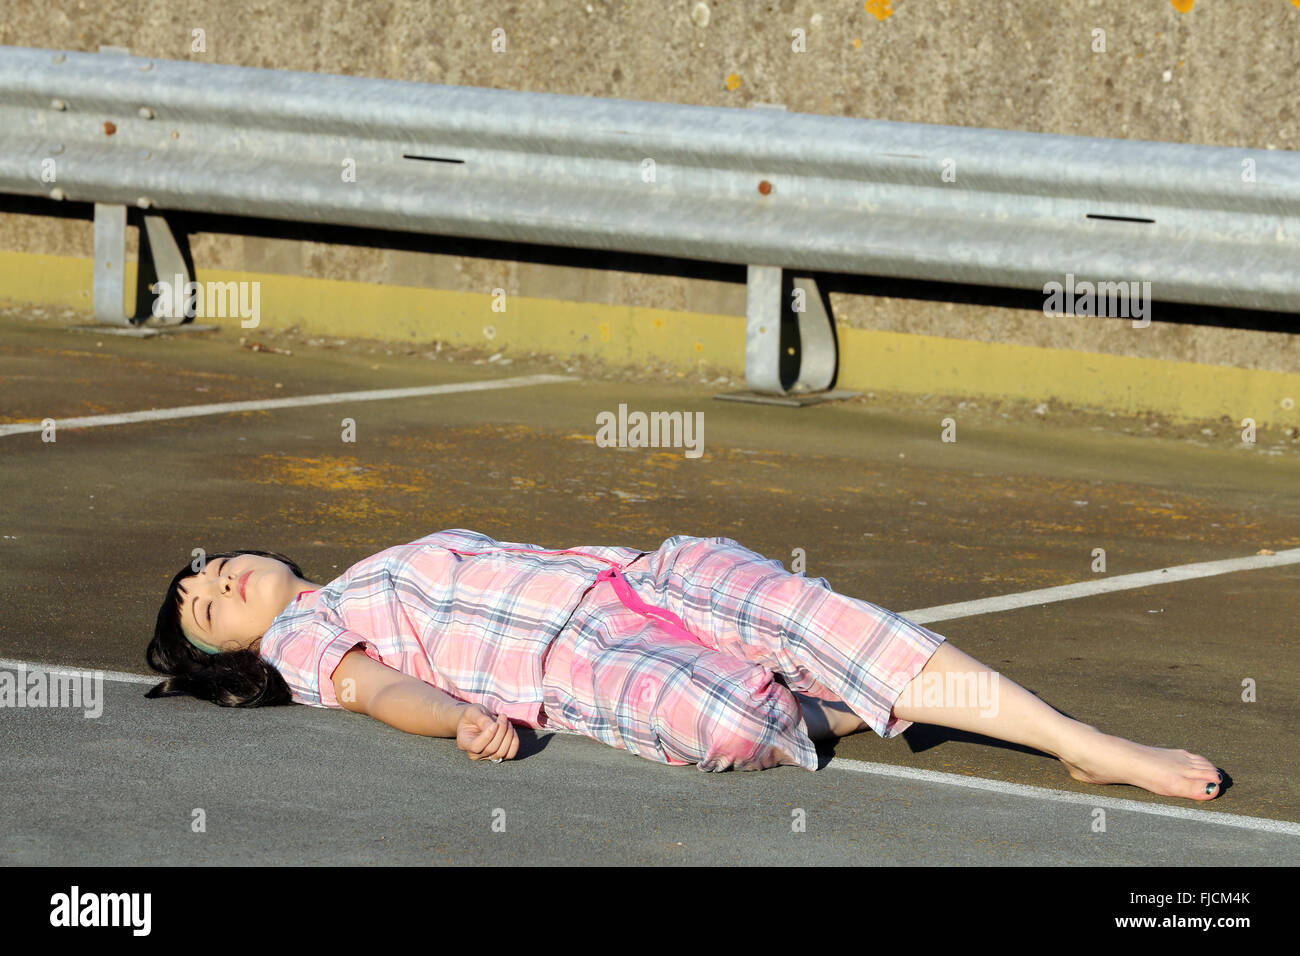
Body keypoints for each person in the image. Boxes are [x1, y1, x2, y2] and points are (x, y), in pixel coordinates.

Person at [145, 528, 1222, 801]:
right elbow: (376, 689)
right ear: (230, 655)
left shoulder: (367, 565)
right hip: (585, 661)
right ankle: (842, 703)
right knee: (725, 722)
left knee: (813, 615)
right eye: (201, 610)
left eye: (214, 565)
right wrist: (455, 718)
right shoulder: (298, 643)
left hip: (645, 575)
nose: (216, 582)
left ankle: (1088, 746)